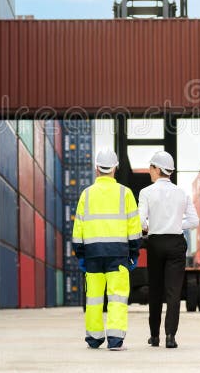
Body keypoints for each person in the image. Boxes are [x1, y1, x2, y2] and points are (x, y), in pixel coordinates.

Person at [72, 148, 141, 351]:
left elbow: (78, 228)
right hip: (118, 254)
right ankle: (115, 340)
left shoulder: (86, 194)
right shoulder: (125, 193)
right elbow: (134, 228)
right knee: (117, 297)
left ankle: (94, 338)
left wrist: (80, 255)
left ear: (97, 168)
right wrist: (134, 253)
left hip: (92, 255)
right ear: (115, 168)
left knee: (93, 298)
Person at [138, 150, 199, 349]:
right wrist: (176, 224)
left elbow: (140, 221)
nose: (149, 171)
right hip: (176, 244)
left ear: (157, 169)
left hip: (155, 243)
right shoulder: (182, 193)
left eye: (150, 167)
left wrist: (151, 226)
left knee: (155, 290)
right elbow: (194, 221)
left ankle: (154, 336)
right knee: (173, 292)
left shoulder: (146, 192)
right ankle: (170, 336)